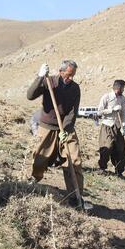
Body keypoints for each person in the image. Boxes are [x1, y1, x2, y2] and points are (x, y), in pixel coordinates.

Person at [27, 60, 90, 210]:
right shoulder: (49, 81)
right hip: (47, 126)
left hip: (66, 129)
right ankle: (31, 182)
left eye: (73, 75)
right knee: (40, 157)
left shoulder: (75, 88)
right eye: (68, 75)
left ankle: (75, 196)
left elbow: (72, 112)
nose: (71, 78)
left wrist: (66, 130)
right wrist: (39, 77)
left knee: (74, 160)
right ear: (61, 72)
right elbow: (30, 95)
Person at [97, 80, 125, 176]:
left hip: (118, 126)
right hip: (107, 125)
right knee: (107, 146)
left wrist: (123, 125)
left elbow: (123, 114)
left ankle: (119, 170)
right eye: (122, 88)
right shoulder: (106, 97)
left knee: (120, 149)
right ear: (118, 88)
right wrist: (112, 110)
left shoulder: (122, 98)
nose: (123, 90)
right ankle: (102, 168)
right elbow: (99, 112)